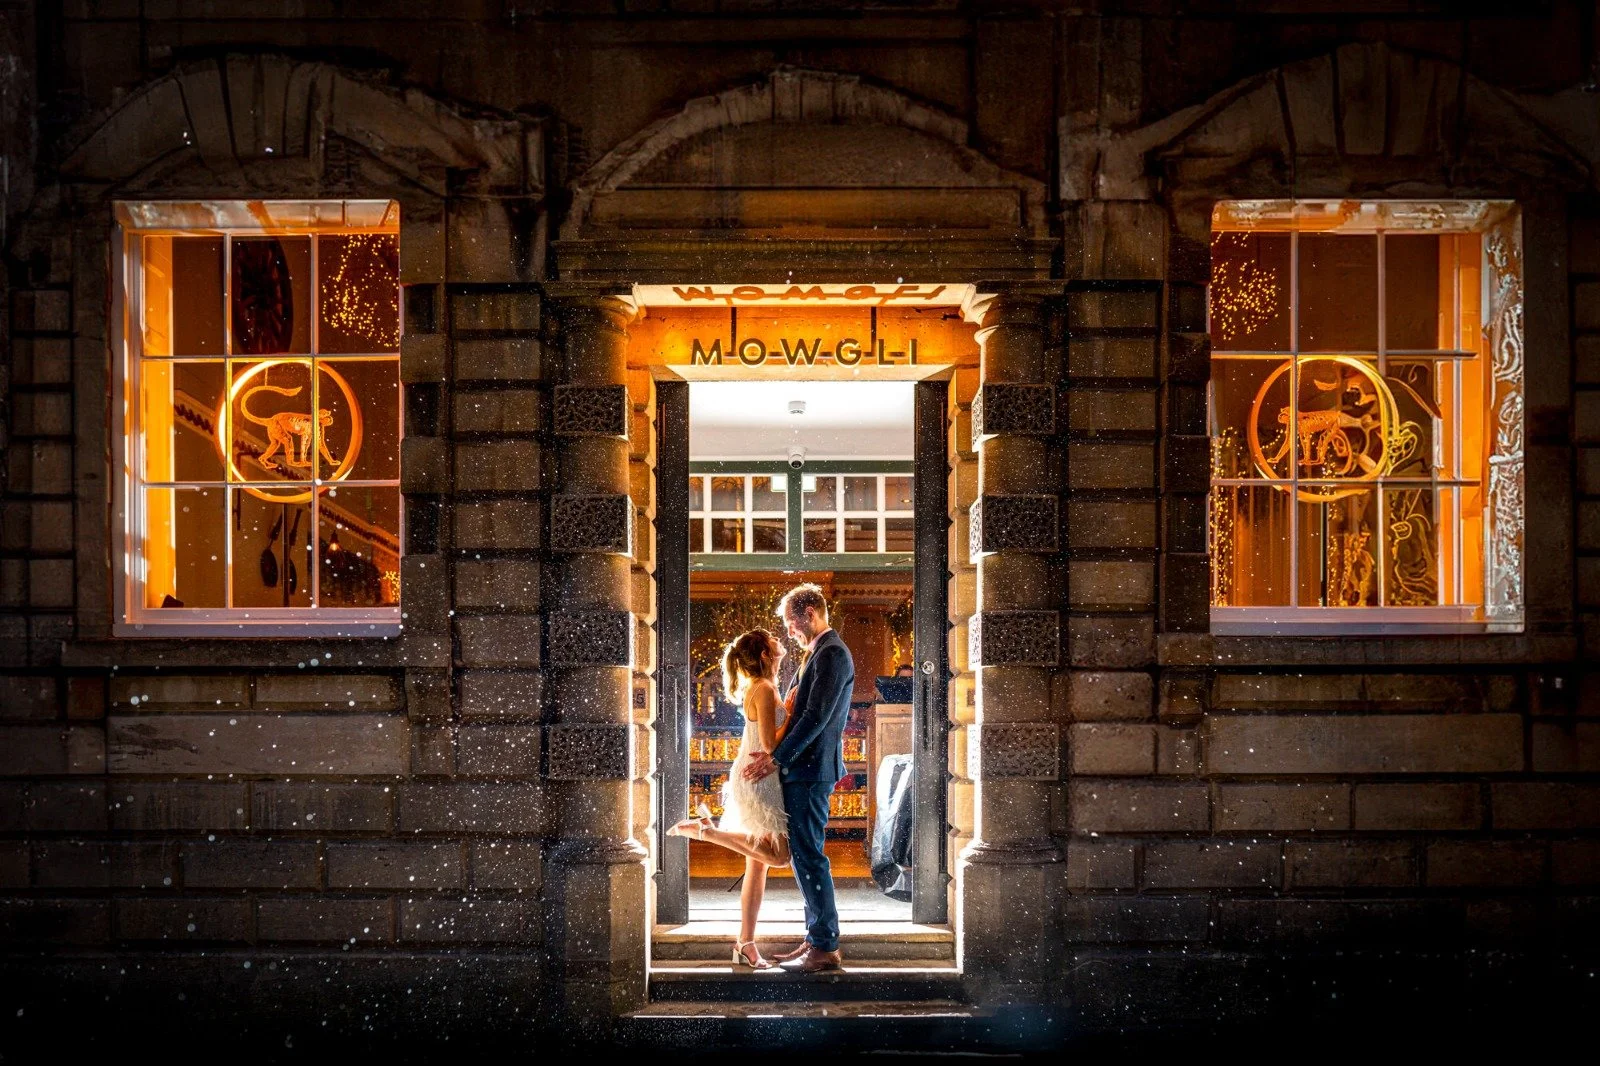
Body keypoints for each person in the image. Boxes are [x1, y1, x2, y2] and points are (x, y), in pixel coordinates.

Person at [743, 583, 854, 974]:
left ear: (809, 613)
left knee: (809, 856)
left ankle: (825, 946)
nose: (789, 631)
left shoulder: (833, 654)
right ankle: (816, 939)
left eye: (791, 622)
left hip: (809, 770)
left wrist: (777, 758)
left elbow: (816, 718)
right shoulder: (818, 654)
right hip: (802, 769)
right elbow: (797, 711)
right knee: (804, 856)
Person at [666, 628, 791, 968]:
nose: (779, 640)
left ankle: (745, 944)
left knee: (758, 864)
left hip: (755, 774)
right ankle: (705, 831)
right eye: (772, 640)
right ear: (766, 654)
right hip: (759, 777)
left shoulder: (765, 686)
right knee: (779, 857)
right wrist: (792, 717)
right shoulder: (764, 688)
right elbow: (768, 744)